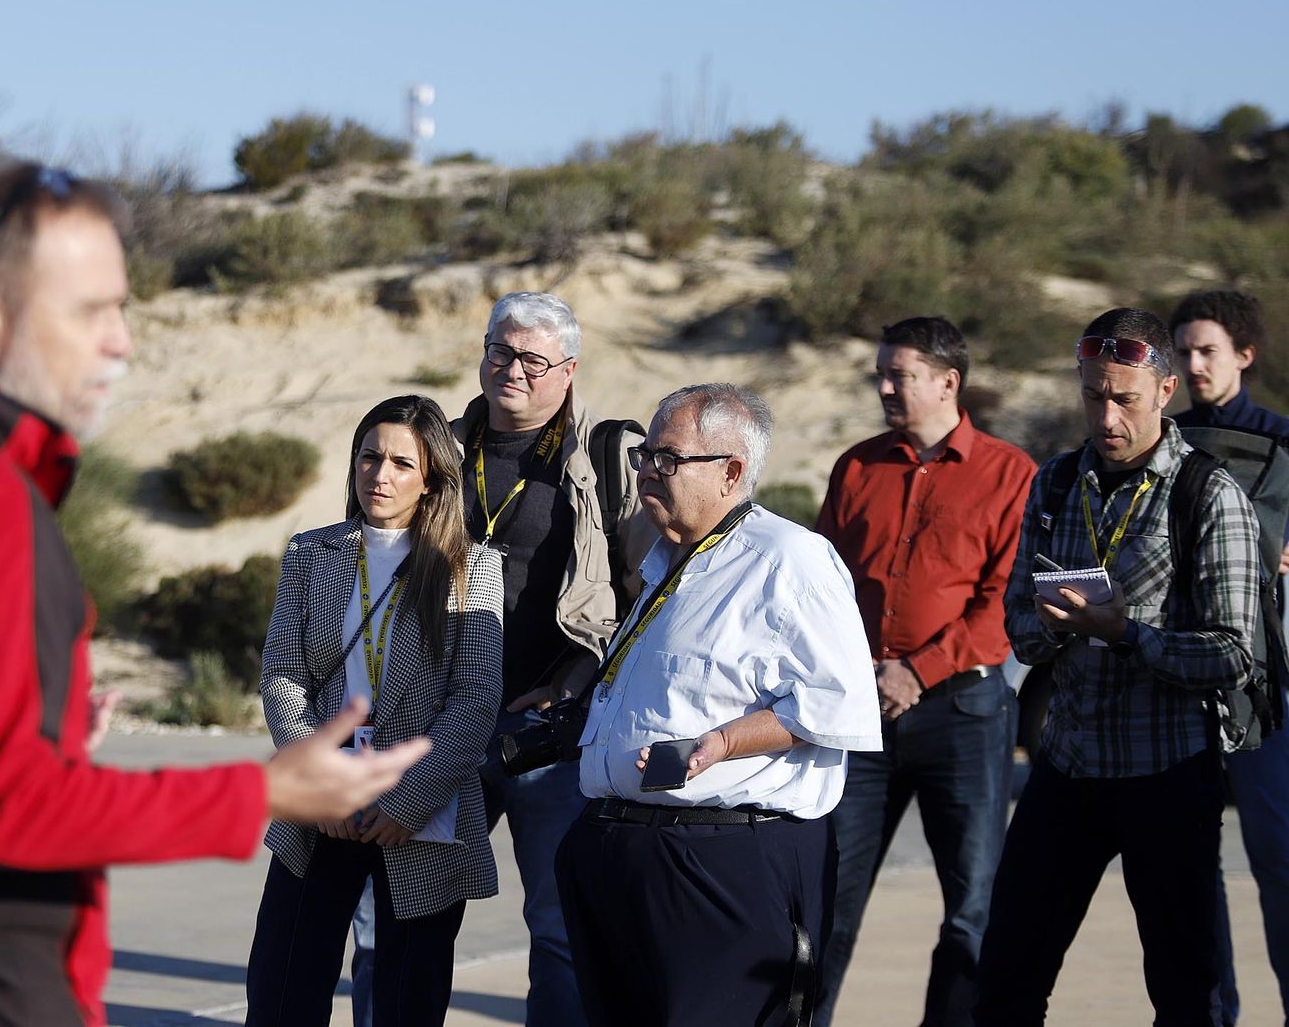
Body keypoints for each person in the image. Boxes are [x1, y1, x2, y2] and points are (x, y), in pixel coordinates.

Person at [0, 161, 429, 1027]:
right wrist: (260, 794)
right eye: (92, 311)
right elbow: (11, 808)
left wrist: (40, 732)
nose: (121, 342)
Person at [349, 291, 648, 1027]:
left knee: (560, 930)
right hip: (437, 726)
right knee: (396, 920)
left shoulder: (606, 458)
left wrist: (579, 677)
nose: (512, 368)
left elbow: (647, 590)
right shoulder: (438, 449)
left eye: (533, 359)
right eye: (500, 350)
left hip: (549, 734)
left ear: (568, 370)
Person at [554, 382, 882, 1026]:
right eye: (645, 456)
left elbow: (839, 702)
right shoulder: (666, 560)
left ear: (731, 472)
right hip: (621, 853)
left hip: (722, 863)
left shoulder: (789, 560)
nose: (648, 471)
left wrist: (726, 743)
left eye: (668, 458)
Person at [974, 308, 1262, 1026]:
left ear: (1165, 391)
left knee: (1184, 995)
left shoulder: (1208, 494)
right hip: (1067, 766)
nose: (1107, 417)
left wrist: (1127, 634)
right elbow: (1017, 623)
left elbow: (1233, 653)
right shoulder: (1055, 482)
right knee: (1004, 982)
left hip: (1167, 771)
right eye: (1093, 395)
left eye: (1124, 399)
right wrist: (1052, 626)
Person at [246, 395, 504, 1027]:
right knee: (282, 989)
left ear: (431, 479)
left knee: (407, 999)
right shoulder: (311, 553)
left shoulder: (473, 567)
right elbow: (282, 673)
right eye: (369, 457)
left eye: (400, 463)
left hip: (418, 810)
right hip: (322, 805)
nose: (379, 475)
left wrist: (406, 801)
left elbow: (475, 699)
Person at [814, 317, 1035, 1027]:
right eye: (880, 374)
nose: (884, 387)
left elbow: (1006, 602)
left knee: (973, 908)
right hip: (861, 716)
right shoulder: (857, 467)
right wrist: (862, 670)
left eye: (899, 375)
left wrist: (917, 670)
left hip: (964, 716)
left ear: (948, 382)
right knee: (823, 902)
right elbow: (821, 584)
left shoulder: (1012, 474)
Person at [1169, 289, 1289, 1025]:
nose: (1194, 365)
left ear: (1245, 354)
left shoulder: (1283, 443)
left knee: (1280, 861)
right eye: (1183, 352)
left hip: (1269, 690)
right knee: (1190, 871)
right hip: (1179, 683)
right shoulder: (1163, 441)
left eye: (1207, 350)